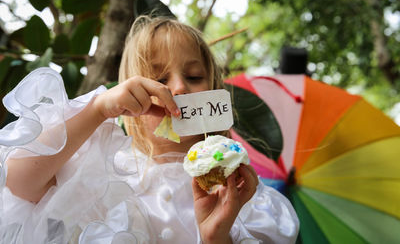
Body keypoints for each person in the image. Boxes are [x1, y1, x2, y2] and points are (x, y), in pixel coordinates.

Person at [0, 16, 299, 243]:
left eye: (194, 76)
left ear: (214, 90)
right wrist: (98, 108)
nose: (180, 87)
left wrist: (217, 238)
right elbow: (17, 184)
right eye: (159, 78)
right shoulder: (104, 171)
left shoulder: (244, 195)